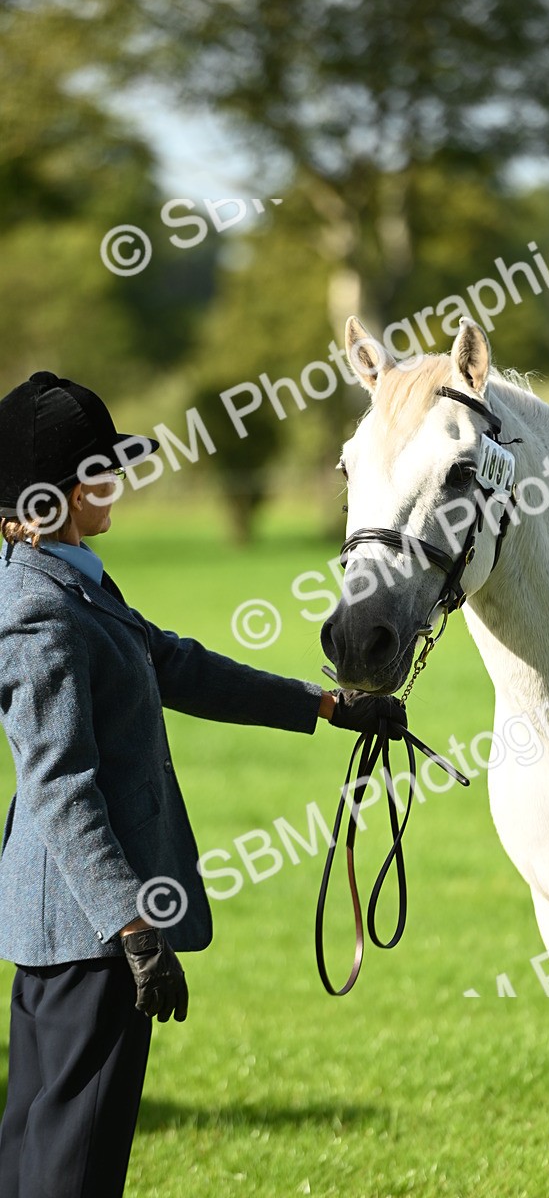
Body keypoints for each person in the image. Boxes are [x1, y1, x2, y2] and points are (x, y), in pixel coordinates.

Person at [0, 371, 405, 1198]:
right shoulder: (40, 610)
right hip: (90, 929)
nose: (117, 483)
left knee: (37, 1144)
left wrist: (326, 705)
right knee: (72, 1160)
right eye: (101, 473)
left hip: (72, 925)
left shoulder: (66, 577)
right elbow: (60, 785)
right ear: (53, 498)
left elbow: (174, 663)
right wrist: (134, 928)